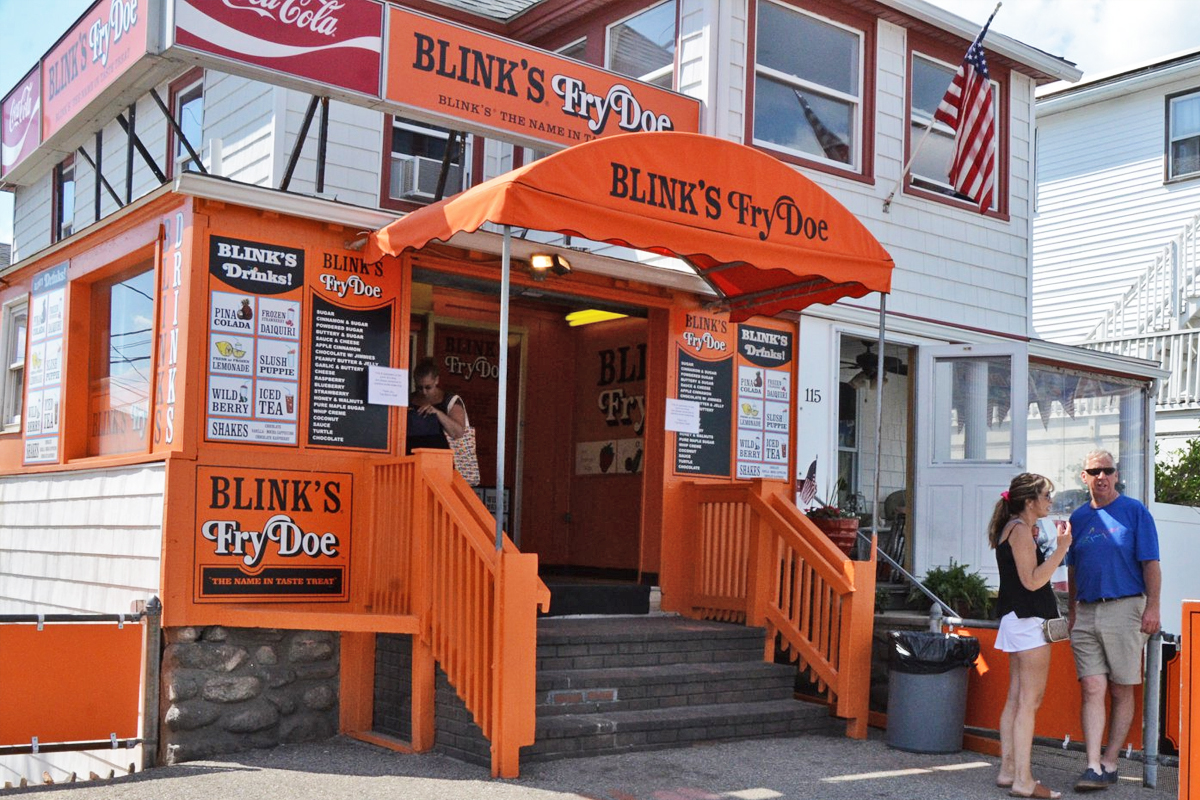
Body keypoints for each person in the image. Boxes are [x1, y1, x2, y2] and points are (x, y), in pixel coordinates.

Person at [1066, 449, 1161, 792]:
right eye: (1095, 471)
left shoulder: (1135, 512)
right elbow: (1073, 567)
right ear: (1085, 477)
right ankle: (1092, 766)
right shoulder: (1078, 518)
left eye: (1107, 470)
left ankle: (1110, 761)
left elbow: (1151, 564)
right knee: (1092, 687)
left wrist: (1153, 608)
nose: (1101, 476)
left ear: (1116, 475)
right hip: (1087, 609)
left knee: (1122, 689)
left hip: (1126, 607)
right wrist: (1073, 608)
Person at [990, 473, 1072, 799]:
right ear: (1029, 501)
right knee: (1029, 702)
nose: (1050, 501)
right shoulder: (1020, 531)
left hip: (1017, 619)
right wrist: (1061, 549)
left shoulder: (1013, 529)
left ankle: (1009, 770)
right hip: (1029, 622)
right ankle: (1023, 779)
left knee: (1016, 697)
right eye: (1045, 495)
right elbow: (1033, 581)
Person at [405, 358, 467, 455]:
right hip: (410, 456)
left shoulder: (450, 400)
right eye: (419, 388)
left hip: (438, 459)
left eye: (428, 387)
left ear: (436, 380)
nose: (424, 392)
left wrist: (438, 413)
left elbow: (458, 433)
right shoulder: (408, 399)